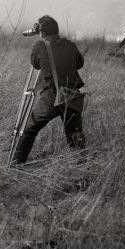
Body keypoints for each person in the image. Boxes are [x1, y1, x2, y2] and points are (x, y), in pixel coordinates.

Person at [12, 15, 86, 165]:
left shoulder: (39, 46)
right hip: (71, 95)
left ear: (42, 32)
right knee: (75, 135)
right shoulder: (70, 45)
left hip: (51, 96)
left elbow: (36, 64)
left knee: (29, 130)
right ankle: (82, 168)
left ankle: (16, 164)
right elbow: (79, 63)